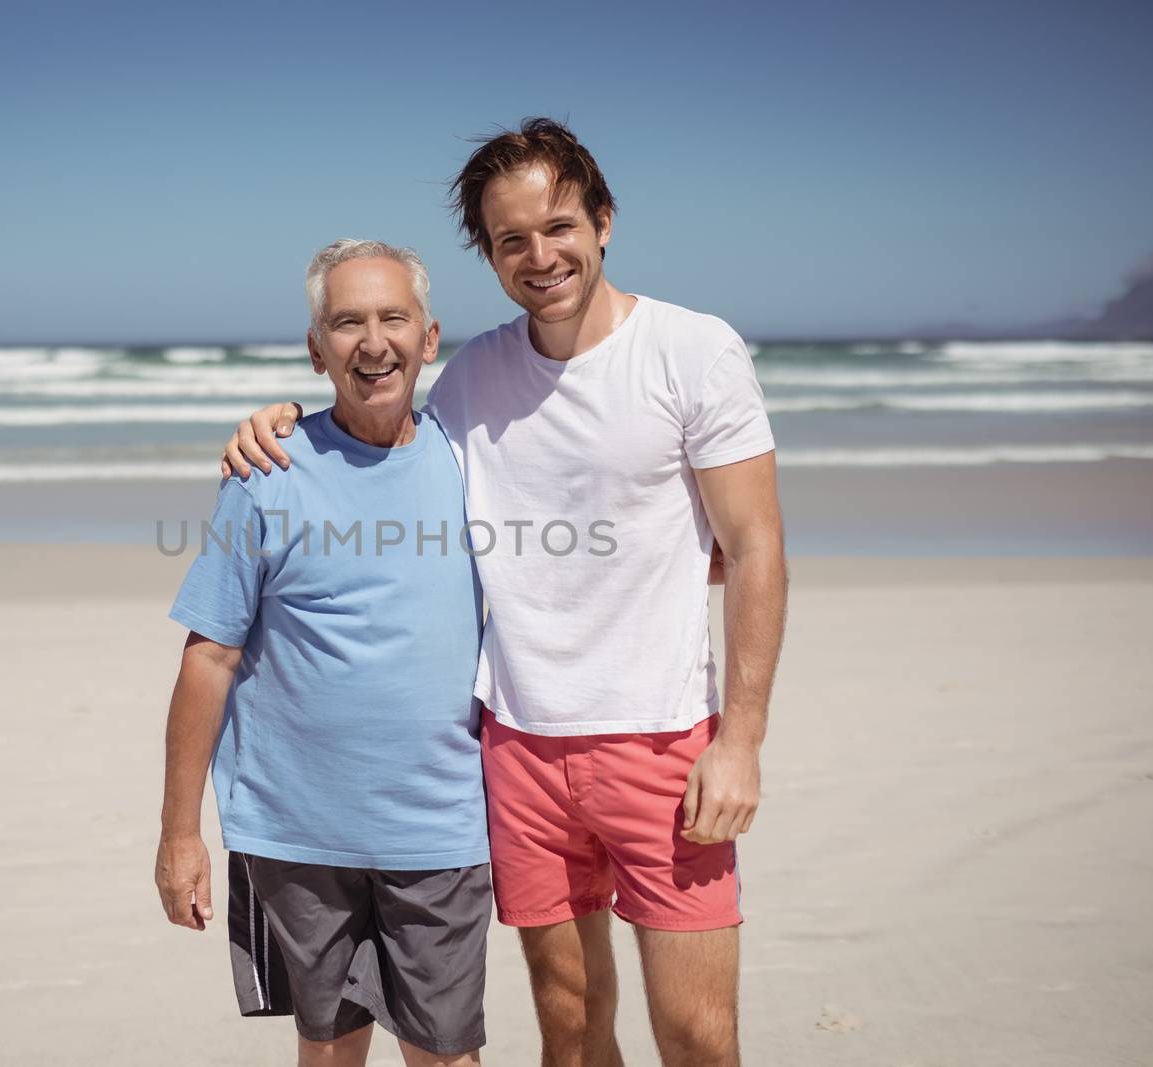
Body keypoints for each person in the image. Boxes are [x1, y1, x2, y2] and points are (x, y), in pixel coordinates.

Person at [223, 119, 787, 1067]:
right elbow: (377, 428)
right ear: (488, 254)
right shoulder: (474, 376)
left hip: (664, 739)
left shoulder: (695, 350)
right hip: (517, 747)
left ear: (603, 220)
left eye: (559, 225)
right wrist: (282, 420)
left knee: (696, 1033)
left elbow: (757, 550)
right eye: (510, 239)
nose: (540, 255)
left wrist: (742, 743)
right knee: (568, 1023)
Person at [156, 239, 492, 1066]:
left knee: (446, 1053)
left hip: (440, 827)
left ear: (429, 336)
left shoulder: (476, 459)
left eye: (392, 318)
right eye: (346, 322)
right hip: (296, 831)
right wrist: (179, 834)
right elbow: (209, 657)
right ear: (316, 349)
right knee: (330, 1048)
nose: (371, 342)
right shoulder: (265, 470)